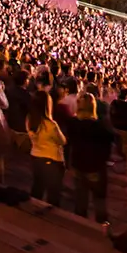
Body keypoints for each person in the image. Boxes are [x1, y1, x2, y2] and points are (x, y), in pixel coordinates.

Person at [65, 92, 114, 224]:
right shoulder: (100, 126)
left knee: (81, 199)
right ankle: (102, 227)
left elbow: (68, 143)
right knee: (99, 200)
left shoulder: (73, 123)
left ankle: (81, 226)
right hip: (95, 168)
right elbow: (108, 147)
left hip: (78, 165)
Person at [27, 92, 67, 207]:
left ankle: (33, 208)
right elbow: (63, 141)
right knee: (53, 191)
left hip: (35, 155)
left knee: (38, 185)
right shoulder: (51, 125)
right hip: (52, 159)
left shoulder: (30, 120)